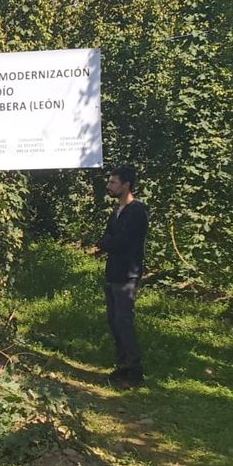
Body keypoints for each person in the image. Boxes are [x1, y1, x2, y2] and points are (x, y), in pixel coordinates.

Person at [96, 165, 148, 387]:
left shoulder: (137, 211)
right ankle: (122, 366)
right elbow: (109, 237)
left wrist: (105, 243)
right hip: (113, 272)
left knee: (124, 322)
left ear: (126, 185)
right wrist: (107, 242)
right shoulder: (117, 211)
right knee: (114, 321)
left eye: (113, 182)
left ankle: (134, 372)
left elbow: (122, 241)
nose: (109, 186)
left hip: (127, 274)